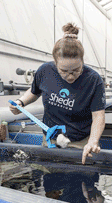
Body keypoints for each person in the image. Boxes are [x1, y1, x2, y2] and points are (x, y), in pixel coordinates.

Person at [10, 23, 106, 164]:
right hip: (50, 140)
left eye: (75, 70)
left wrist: (92, 142)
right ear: (55, 63)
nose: (71, 76)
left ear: (82, 61)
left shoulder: (93, 80)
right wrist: (21, 102)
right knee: (51, 179)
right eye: (64, 72)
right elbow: (34, 91)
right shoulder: (45, 71)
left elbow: (98, 116)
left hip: (80, 143)